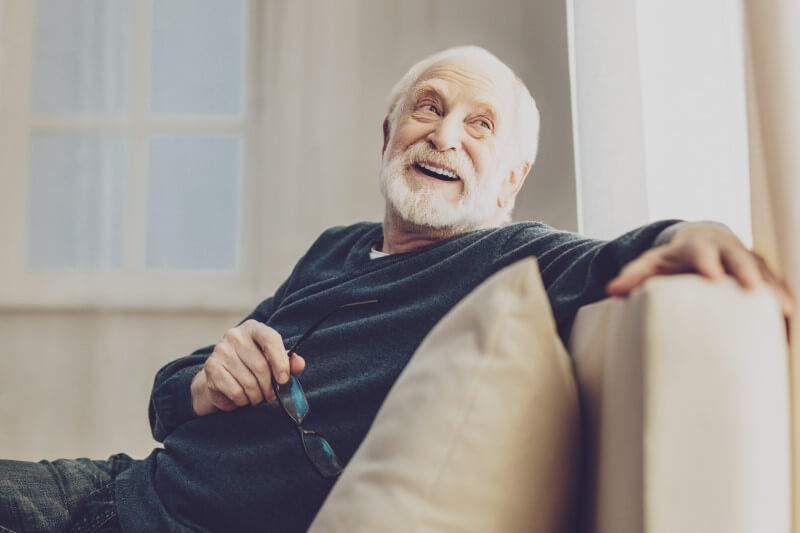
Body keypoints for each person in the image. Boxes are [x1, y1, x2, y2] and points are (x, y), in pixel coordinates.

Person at [0, 46, 793, 533]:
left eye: (480, 126)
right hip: (117, 484)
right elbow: (169, 403)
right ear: (389, 136)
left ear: (512, 179)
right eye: (430, 107)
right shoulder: (337, 247)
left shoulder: (513, 258)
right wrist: (204, 382)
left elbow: (609, 256)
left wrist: (696, 234)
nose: (445, 134)